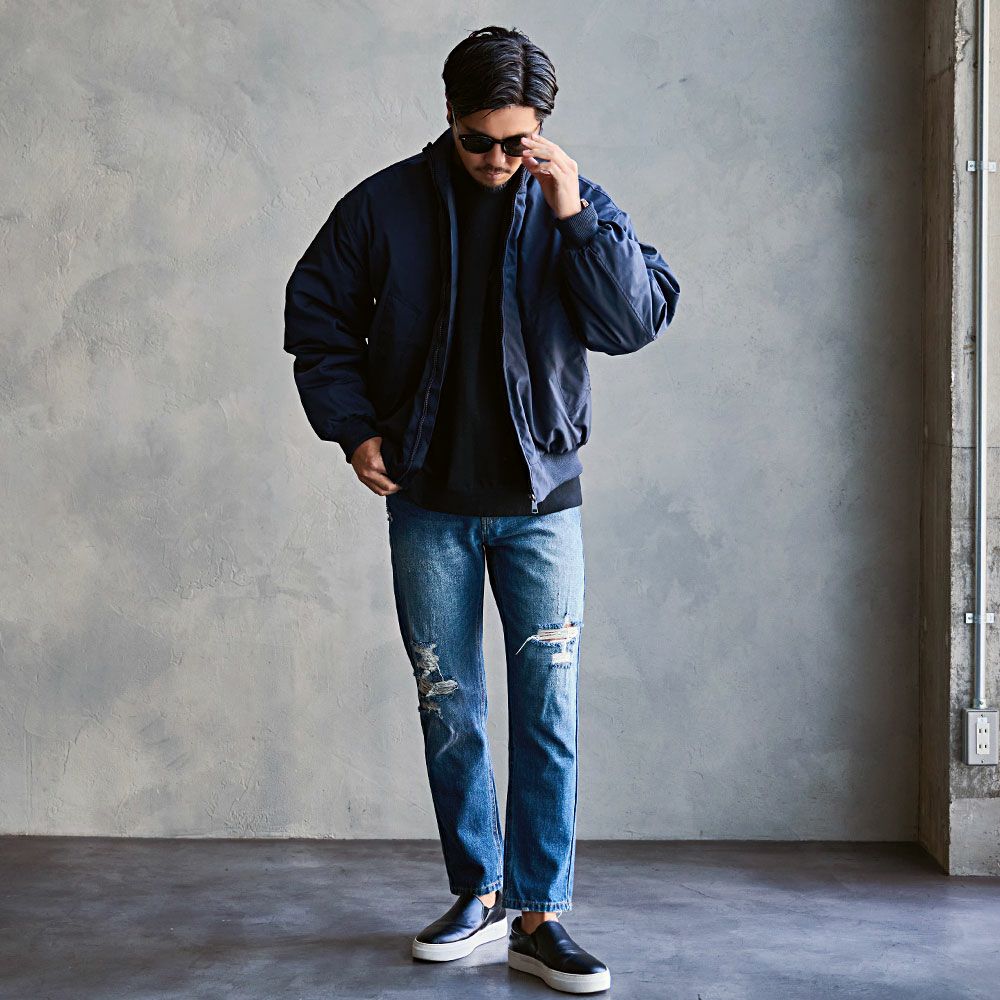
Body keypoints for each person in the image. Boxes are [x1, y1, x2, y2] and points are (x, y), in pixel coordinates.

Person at [283, 24, 680, 995]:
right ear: (449, 117)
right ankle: (478, 893)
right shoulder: (383, 205)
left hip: (541, 507)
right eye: (478, 141)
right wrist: (353, 429)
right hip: (429, 504)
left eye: (516, 142)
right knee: (449, 705)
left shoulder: (573, 204)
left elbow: (634, 320)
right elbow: (317, 316)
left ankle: (541, 916)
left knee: (548, 710)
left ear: (541, 129)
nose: (497, 161)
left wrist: (574, 215)